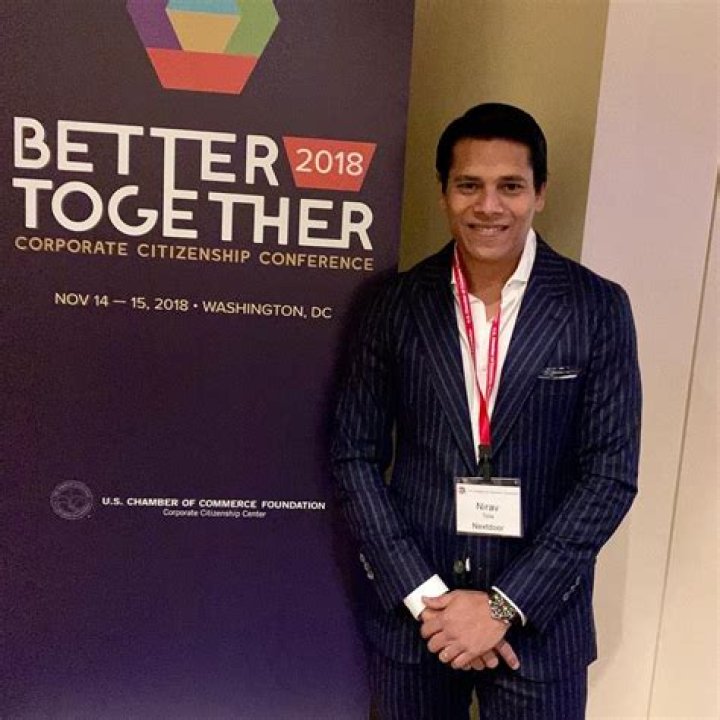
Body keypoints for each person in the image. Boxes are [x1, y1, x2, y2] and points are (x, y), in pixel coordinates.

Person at [330, 103, 641, 719]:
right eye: (469, 185)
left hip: (540, 627)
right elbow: (353, 455)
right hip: (418, 623)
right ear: (444, 192)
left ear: (540, 193)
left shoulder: (598, 308)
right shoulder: (393, 305)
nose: (489, 206)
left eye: (511, 187)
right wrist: (425, 598)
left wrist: (502, 607)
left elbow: (609, 476)